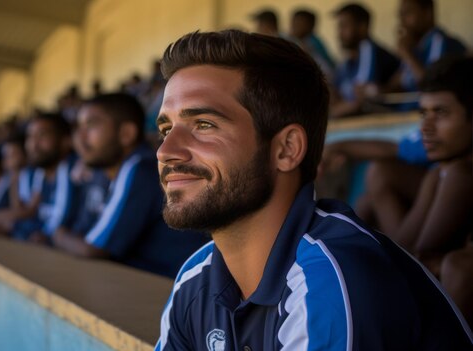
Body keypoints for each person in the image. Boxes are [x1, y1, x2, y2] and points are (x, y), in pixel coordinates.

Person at [153, 30, 472, 350]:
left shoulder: (333, 279)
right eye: (166, 129)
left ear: (286, 149)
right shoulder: (195, 278)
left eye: (204, 124)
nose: (166, 151)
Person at [52, 93, 208, 277]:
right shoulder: (104, 173)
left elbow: (93, 249)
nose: (80, 136)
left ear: (126, 134)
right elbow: (83, 232)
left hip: (168, 287)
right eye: (78, 127)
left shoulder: (140, 169)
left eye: (91, 125)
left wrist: (58, 235)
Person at [383, 56, 473, 274]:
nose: (426, 127)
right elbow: (404, 250)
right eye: (424, 113)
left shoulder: (460, 173)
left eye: (441, 113)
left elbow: (415, 261)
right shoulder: (440, 173)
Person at [10, 112, 78, 242]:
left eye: (42, 136)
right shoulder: (38, 174)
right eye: (30, 137)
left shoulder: (76, 172)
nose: (33, 145)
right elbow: (23, 211)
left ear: (65, 141)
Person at [330, 3, 400, 118]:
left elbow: (362, 100)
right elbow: (335, 92)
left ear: (362, 26)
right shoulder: (348, 60)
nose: (339, 33)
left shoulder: (368, 49)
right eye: (339, 26)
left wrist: (332, 112)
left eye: (344, 26)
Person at [388, 0, 467, 95]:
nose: (402, 21)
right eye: (401, 15)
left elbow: (433, 86)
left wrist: (407, 54)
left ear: (428, 13)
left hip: (424, 108)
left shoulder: (441, 41)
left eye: (407, 13)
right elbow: (398, 83)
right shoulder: (415, 45)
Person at [289, 9, 336, 80]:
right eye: (293, 22)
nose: (293, 26)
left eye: (298, 24)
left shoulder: (312, 43)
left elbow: (328, 70)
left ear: (310, 26)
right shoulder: (298, 40)